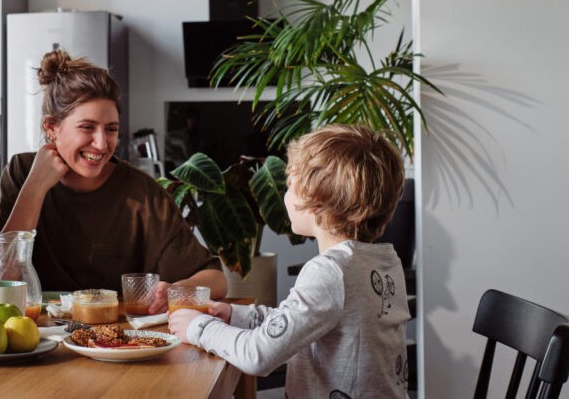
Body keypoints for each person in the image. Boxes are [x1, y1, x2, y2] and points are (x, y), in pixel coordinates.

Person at [169, 124, 411, 397]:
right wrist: (235, 315)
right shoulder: (384, 261)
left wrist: (198, 328)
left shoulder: (330, 271)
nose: (285, 195)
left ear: (315, 200)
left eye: (289, 185)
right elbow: (299, 321)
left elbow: (258, 356)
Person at [0, 50, 226, 312]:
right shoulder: (20, 173)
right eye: (87, 127)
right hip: (30, 338)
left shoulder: (141, 192)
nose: (101, 143)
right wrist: (36, 188)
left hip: (115, 344)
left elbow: (216, 279)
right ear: (51, 127)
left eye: (111, 129)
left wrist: (176, 292)